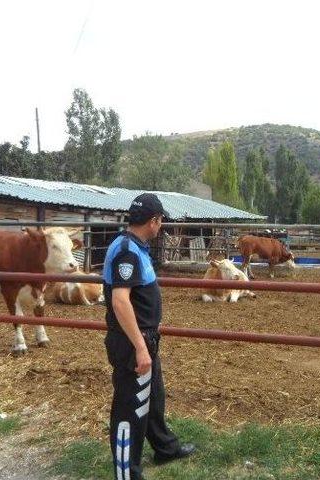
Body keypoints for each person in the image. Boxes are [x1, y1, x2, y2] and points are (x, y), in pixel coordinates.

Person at [103, 193, 195, 480]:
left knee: (153, 397)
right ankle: (126, 472)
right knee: (131, 407)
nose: (161, 225)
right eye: (161, 220)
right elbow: (120, 301)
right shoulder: (127, 251)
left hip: (144, 339)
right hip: (133, 343)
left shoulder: (135, 246)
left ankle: (164, 447)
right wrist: (141, 347)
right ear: (154, 221)